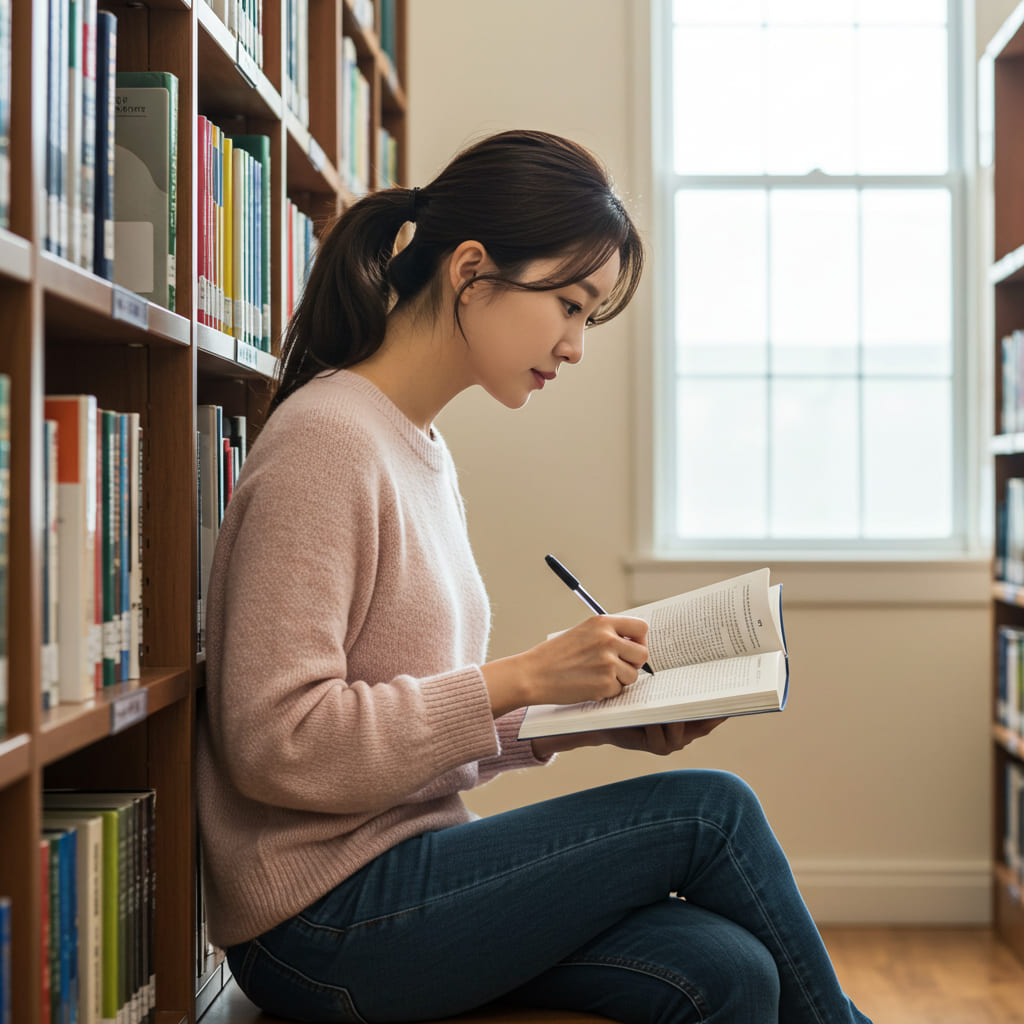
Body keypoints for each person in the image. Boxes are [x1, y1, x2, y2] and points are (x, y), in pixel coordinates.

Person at [196, 129, 872, 1024]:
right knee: (711, 813)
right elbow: (277, 741)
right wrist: (520, 677)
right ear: (472, 273)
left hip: (411, 870)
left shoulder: (419, 449)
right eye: (569, 304)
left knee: (728, 967)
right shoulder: (329, 442)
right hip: (322, 921)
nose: (576, 345)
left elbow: (416, 727)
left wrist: (586, 718)